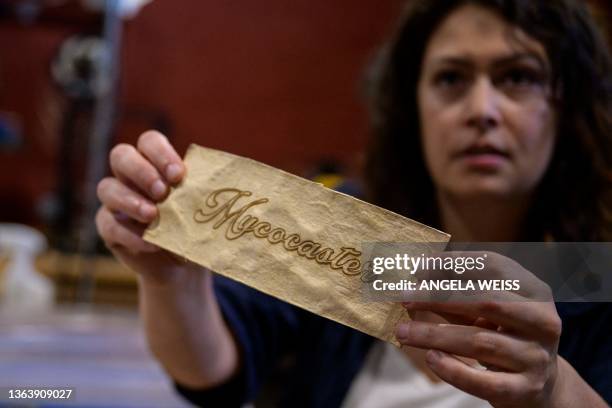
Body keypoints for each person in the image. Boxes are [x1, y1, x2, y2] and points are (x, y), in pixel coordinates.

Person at [95, 0, 612, 406]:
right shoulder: (349, 236)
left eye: (518, 76)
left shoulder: (597, 274)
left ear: (567, 105)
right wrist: (170, 280)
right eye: (451, 78)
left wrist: (555, 393)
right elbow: (215, 375)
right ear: (413, 107)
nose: (482, 110)